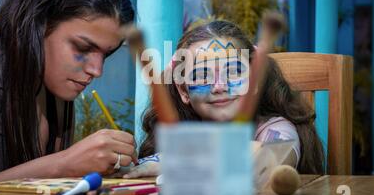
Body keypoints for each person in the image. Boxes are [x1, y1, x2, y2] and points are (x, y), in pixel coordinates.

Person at [0, 0, 137, 193]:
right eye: (82, 47)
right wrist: (59, 166)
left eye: (106, 54)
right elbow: (52, 170)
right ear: (38, 23)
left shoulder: (53, 89)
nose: (96, 70)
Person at [125, 20, 324, 178]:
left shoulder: (277, 129)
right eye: (202, 74)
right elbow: (145, 168)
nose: (219, 86)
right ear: (184, 91)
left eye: (234, 71)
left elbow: (269, 159)